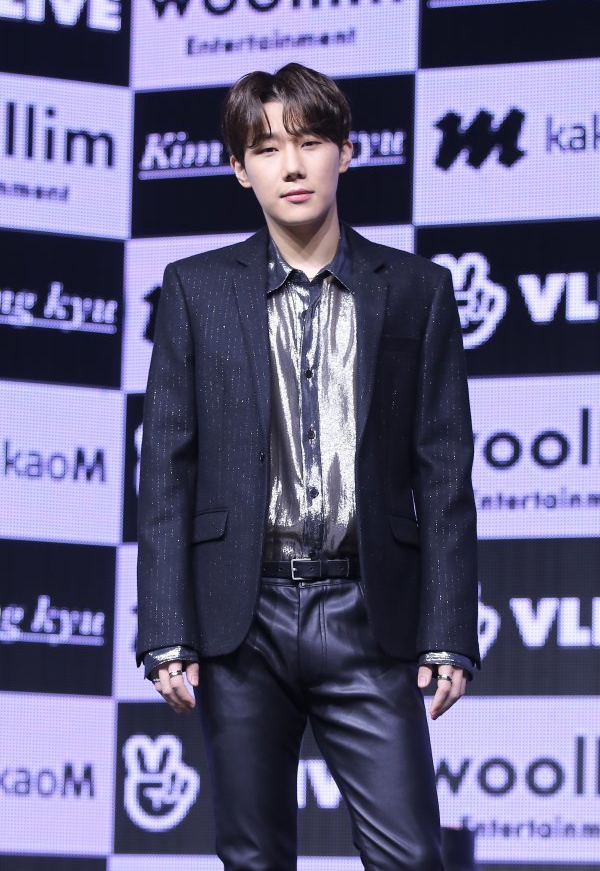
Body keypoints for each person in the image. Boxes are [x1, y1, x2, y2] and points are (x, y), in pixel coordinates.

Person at [136, 62, 480, 871]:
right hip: (240, 615)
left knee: (411, 855)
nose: (291, 165)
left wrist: (447, 631)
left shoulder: (418, 289)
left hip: (367, 609)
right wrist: (165, 627)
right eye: (266, 148)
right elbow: (167, 470)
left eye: (311, 141)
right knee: (253, 856)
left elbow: (444, 471)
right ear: (239, 168)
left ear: (346, 153)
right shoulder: (194, 290)